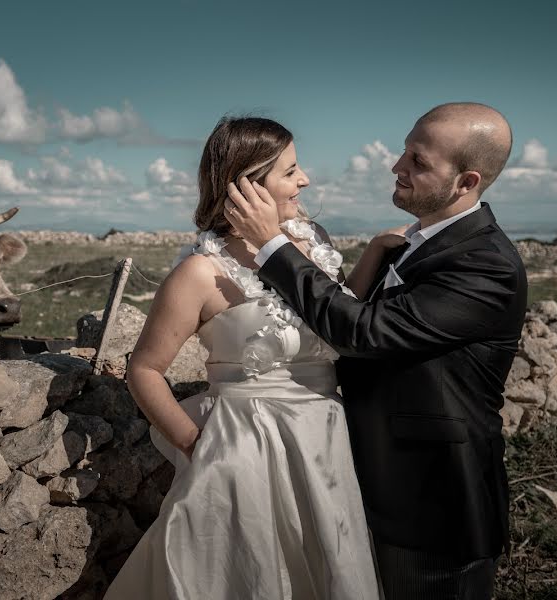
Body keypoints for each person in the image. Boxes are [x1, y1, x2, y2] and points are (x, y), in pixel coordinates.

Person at [224, 102, 527, 600]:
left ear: (466, 182)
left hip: (434, 506)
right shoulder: (416, 242)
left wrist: (270, 246)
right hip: (371, 486)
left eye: (418, 162)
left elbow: (364, 333)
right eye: (405, 150)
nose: (397, 166)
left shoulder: (485, 264)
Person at [104, 117, 394, 599]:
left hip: (326, 441)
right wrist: (196, 445)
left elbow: (338, 315)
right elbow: (145, 369)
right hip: (243, 448)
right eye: (291, 171)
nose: (306, 180)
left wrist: (376, 251)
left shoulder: (313, 241)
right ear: (247, 186)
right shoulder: (199, 273)